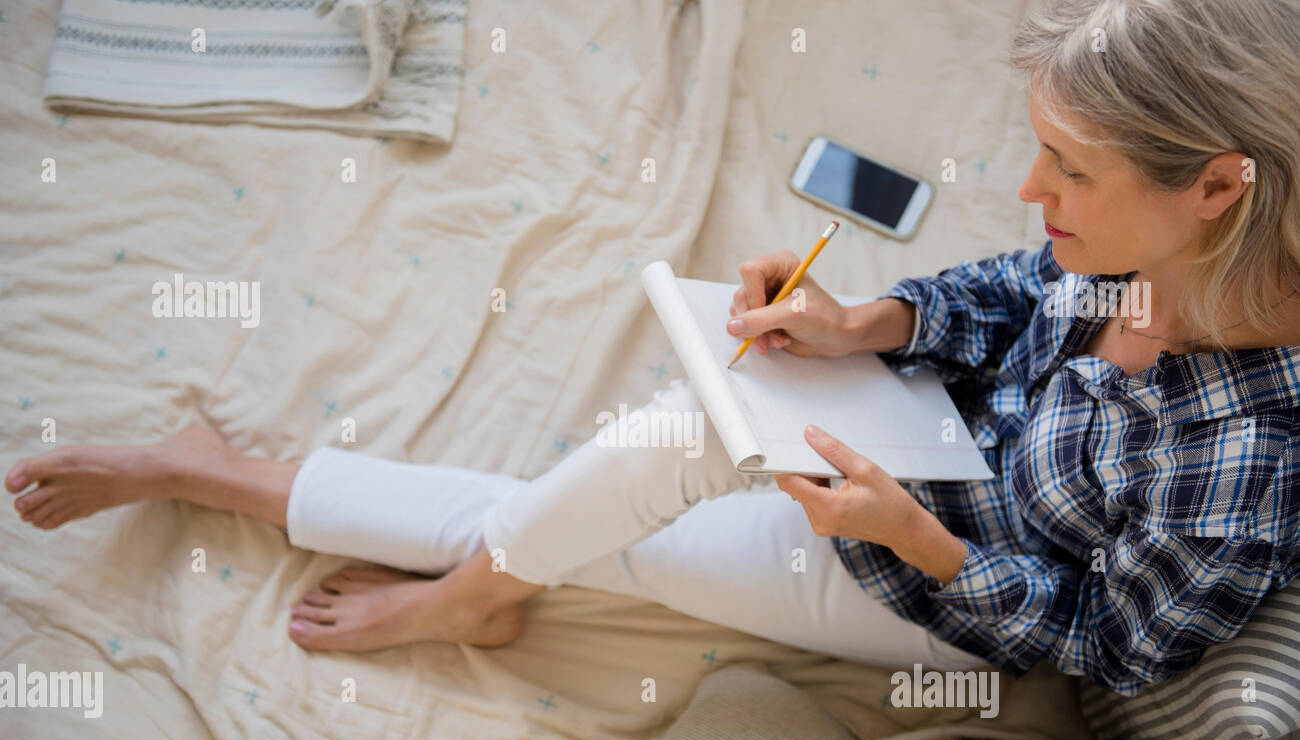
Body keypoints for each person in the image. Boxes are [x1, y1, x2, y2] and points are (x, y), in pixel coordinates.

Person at [7, 0, 1300, 696]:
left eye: (1069, 167)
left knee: (596, 520)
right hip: (927, 430)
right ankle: (453, 572)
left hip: (940, 589)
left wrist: (918, 541)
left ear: (1218, 188)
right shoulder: (1142, 255)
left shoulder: (1246, 459)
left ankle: (378, 548)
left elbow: (1110, 647)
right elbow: (1021, 288)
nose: (1028, 188)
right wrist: (873, 322)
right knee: (675, 436)